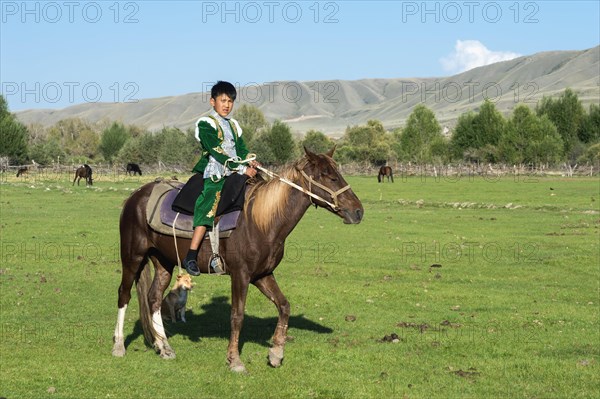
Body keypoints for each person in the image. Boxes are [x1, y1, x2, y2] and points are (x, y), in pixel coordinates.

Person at [183, 81, 258, 276]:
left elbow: (240, 148)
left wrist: (249, 160)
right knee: (208, 203)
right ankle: (191, 255)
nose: (227, 105)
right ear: (212, 101)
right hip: (216, 171)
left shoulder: (234, 125)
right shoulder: (206, 123)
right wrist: (240, 168)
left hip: (237, 168)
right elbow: (216, 151)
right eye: (223, 100)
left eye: (230, 101)